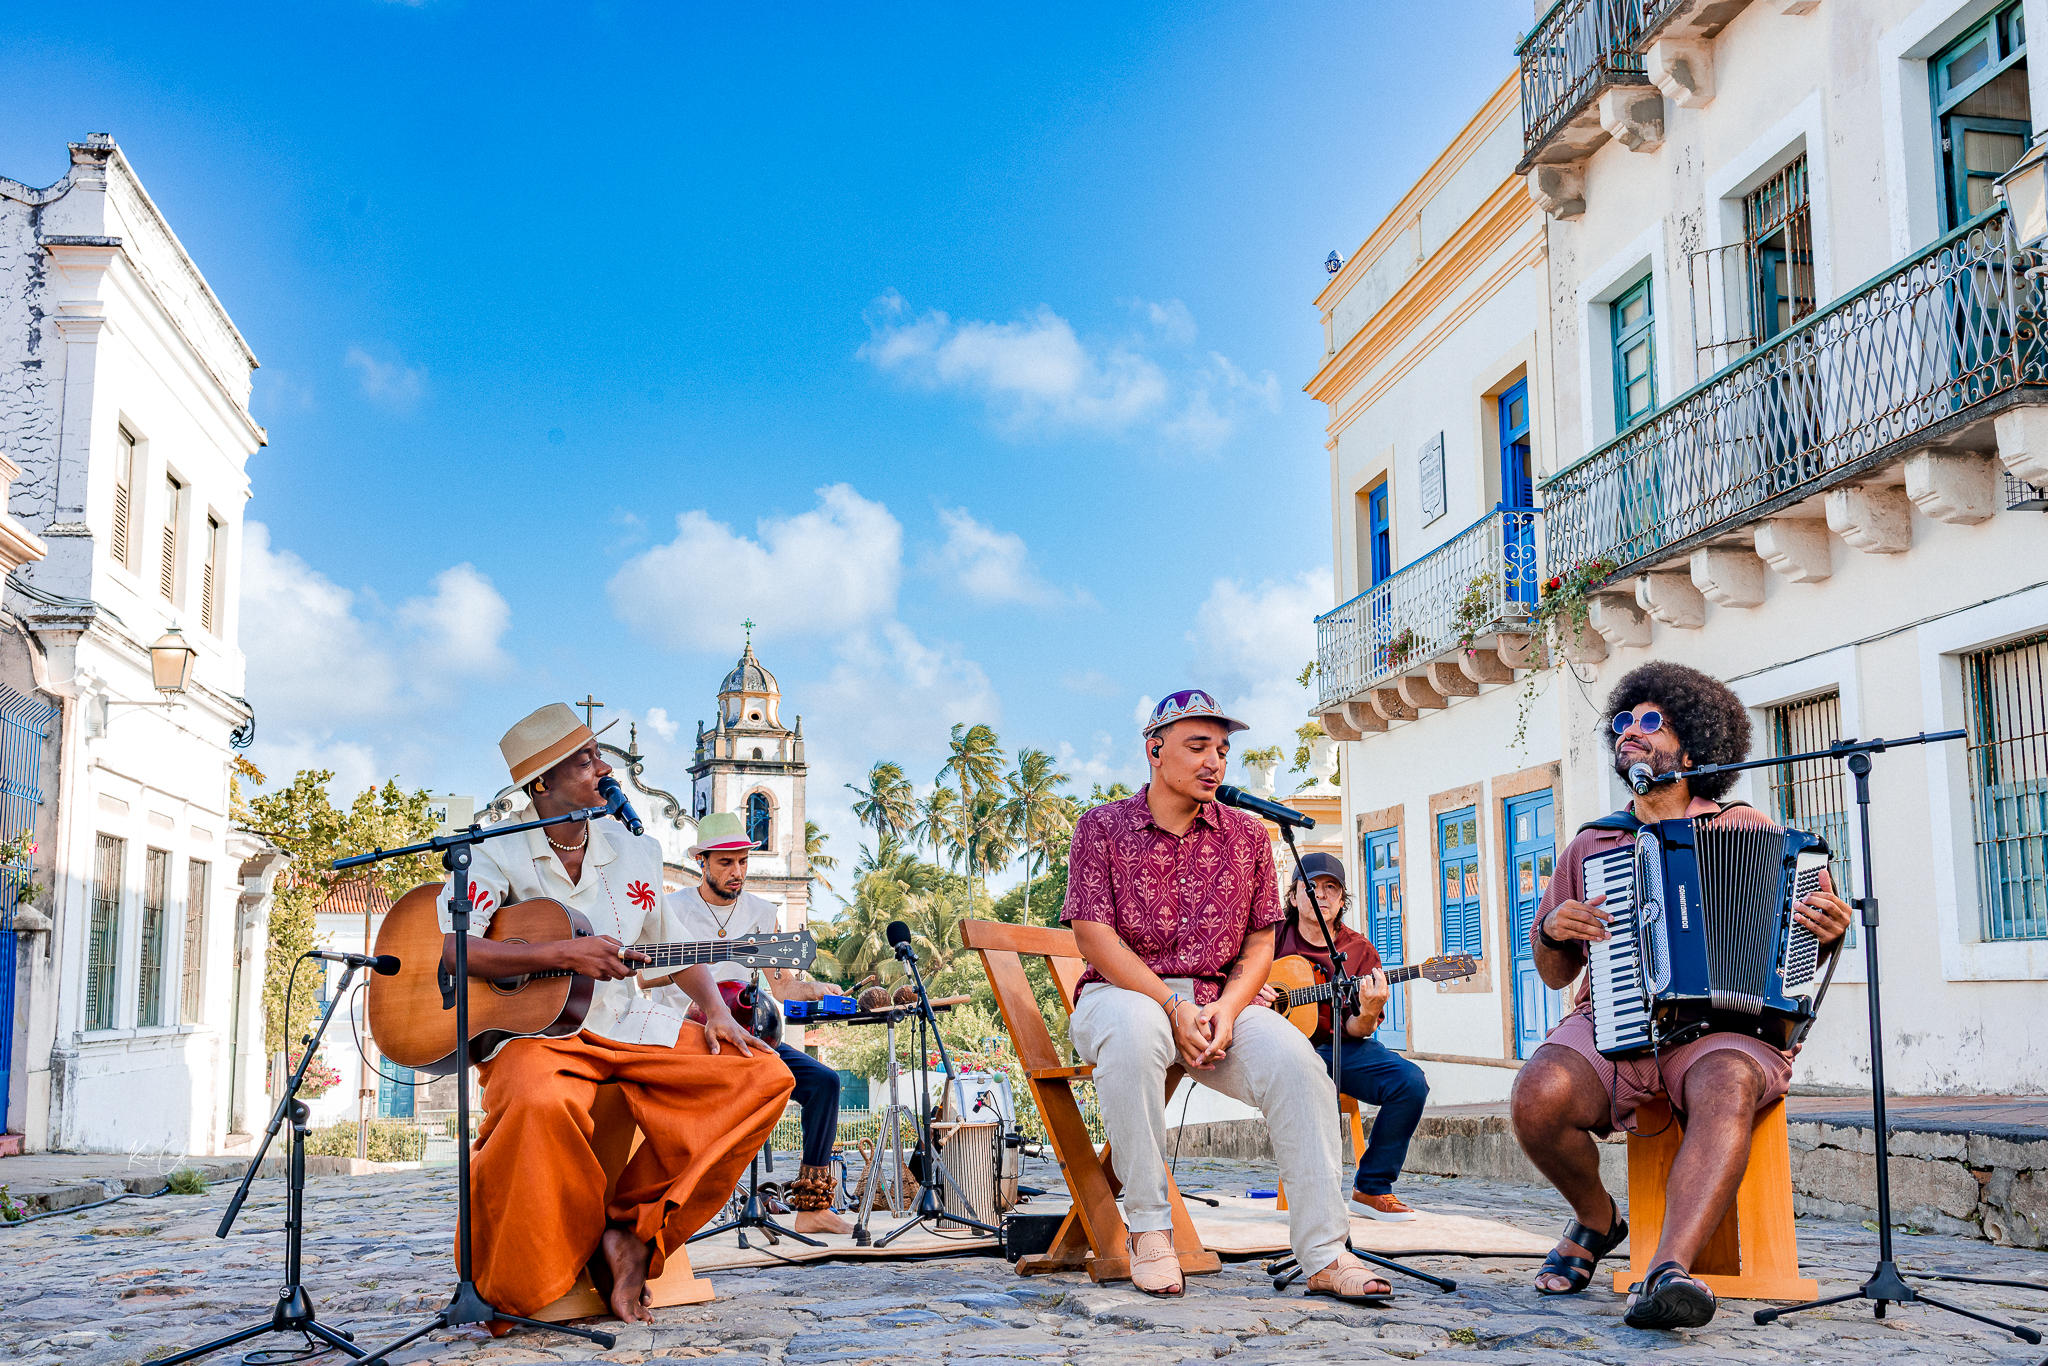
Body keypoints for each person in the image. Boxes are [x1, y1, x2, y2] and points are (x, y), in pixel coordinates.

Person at [1510, 662, 1852, 1331]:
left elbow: (1800, 951)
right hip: (1617, 1018)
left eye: (1650, 721)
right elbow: (1554, 972)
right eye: (1622, 721)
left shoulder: (1748, 828)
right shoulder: (1593, 842)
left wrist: (1827, 930)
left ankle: (1667, 1273)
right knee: (1537, 1093)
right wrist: (1551, 930)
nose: (1628, 732)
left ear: (1691, 751)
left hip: (1727, 1030)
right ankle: (1596, 1218)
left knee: (1728, 1081)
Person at [448, 704, 794, 1329]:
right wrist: (561, 953)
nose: (603, 769)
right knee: (537, 1104)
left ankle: (633, 1230)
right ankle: (524, 1283)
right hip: (536, 1036)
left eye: (599, 755)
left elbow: (669, 945)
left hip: (630, 1024)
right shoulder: (494, 851)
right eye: (584, 761)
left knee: (762, 1076)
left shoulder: (637, 851)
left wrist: (716, 1010)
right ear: (541, 783)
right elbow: (456, 947)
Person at [1063, 688, 1393, 1302]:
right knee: (1135, 1032)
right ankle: (1150, 1232)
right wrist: (1172, 1005)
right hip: (1122, 996)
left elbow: (1261, 942)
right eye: (1198, 747)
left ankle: (1326, 1253)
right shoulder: (1102, 827)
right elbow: (1092, 935)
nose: (1214, 761)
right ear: (1154, 750)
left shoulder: (1247, 835)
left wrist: (1228, 1007)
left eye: (1221, 749)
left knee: (1299, 1067)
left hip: (1220, 1004)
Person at [660, 810, 853, 1236]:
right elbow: (645, 978)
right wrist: (703, 961)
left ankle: (812, 1206)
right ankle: (674, 1208)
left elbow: (782, 986)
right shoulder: (671, 908)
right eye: (726, 862)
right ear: (702, 862)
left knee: (824, 1082)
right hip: (686, 1037)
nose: (737, 872)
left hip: (746, 1036)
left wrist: (815, 988)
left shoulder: (762, 913)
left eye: (743, 861)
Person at [1261, 851, 1430, 1221]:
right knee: (1302, 1075)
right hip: (1276, 1048)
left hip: (1341, 1048)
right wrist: (1252, 992)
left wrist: (1368, 1010)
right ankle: (1313, 1198)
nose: (1321, 894)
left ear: (1342, 900)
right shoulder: (1269, 939)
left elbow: (1359, 1028)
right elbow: (1230, 976)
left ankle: (1372, 1188)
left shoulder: (1358, 951)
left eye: (1331, 888)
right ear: (1293, 896)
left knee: (1409, 1082)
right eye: (1311, 886)